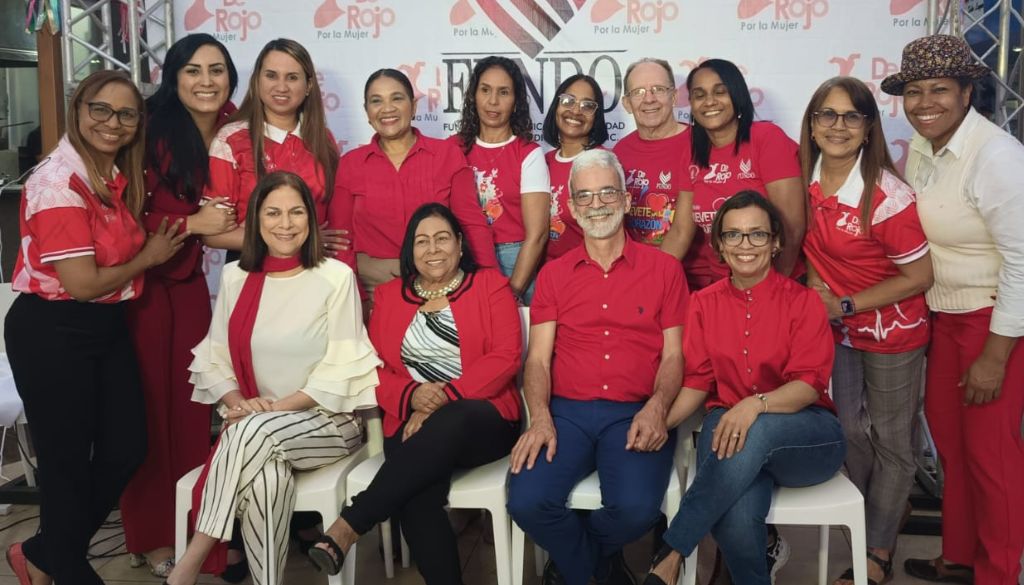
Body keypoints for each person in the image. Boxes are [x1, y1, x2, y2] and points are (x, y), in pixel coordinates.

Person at [3, 69, 189, 585]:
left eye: (126, 113)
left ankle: (42, 552)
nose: (113, 122)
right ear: (79, 109)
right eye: (100, 110)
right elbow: (81, 283)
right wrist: (149, 257)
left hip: (104, 324)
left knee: (128, 446)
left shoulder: (112, 175)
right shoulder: (57, 180)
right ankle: (62, 563)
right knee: (65, 464)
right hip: (53, 329)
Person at [163, 171, 379, 585]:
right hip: (257, 425)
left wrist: (270, 410)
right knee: (266, 478)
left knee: (254, 433)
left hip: (329, 421)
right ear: (256, 220)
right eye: (274, 213)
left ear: (311, 220)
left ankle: (192, 559)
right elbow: (215, 357)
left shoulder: (335, 277)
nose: (285, 223)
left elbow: (339, 369)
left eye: (296, 212)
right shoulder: (235, 278)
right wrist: (236, 402)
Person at [307, 203, 521, 585]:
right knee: (417, 496)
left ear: (459, 244)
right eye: (422, 241)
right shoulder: (389, 297)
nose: (433, 249)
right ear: (410, 251)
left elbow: (505, 357)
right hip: (409, 421)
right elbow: (372, 366)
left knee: (453, 419)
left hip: (482, 419)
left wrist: (442, 399)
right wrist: (411, 397)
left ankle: (350, 524)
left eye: (442, 238)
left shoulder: (491, 286)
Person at [643, 192, 846, 585]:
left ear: (775, 243)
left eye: (756, 235)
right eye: (733, 236)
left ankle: (671, 552)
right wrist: (657, 421)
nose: (745, 245)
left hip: (806, 435)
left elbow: (808, 386)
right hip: (730, 432)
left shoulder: (804, 302)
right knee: (735, 519)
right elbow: (699, 382)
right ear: (719, 244)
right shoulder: (702, 303)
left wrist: (755, 404)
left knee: (756, 429)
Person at [507, 149, 689, 585]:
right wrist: (541, 417)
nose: (597, 204)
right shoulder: (553, 275)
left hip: (635, 410)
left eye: (607, 192)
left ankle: (573, 563)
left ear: (627, 200)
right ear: (570, 209)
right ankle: (596, 571)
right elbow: (537, 359)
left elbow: (674, 356)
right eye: (584, 196)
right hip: (566, 412)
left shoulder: (665, 269)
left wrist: (658, 406)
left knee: (637, 510)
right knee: (527, 502)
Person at [881, 34, 1024, 585]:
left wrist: (995, 355)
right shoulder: (922, 147)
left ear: (967, 91)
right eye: (913, 91)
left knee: (994, 459)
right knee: (955, 448)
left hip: (994, 324)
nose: (924, 103)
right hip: (942, 316)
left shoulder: (997, 156)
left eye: (939, 89)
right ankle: (960, 556)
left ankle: (998, 574)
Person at [799, 76, 933, 585]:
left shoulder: (887, 196)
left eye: (851, 116)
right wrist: (818, 289)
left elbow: (919, 276)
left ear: (868, 126)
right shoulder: (803, 179)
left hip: (893, 331)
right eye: (826, 115)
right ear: (811, 125)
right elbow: (811, 250)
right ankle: (879, 512)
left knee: (895, 442)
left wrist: (844, 302)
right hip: (841, 330)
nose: (837, 126)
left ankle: (876, 552)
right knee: (851, 430)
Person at [117, 33, 240, 578]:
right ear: (173, 76)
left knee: (195, 413)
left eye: (217, 70)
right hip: (145, 287)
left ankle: (198, 538)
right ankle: (149, 538)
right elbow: (115, 220)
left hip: (191, 284)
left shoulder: (237, 125)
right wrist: (191, 224)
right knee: (149, 417)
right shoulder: (147, 130)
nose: (207, 81)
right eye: (193, 70)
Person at [328, 68, 497, 297]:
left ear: (414, 107)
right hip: (372, 289)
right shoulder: (350, 164)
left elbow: (471, 224)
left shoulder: (447, 155)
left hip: (441, 283)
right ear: (367, 112)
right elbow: (341, 240)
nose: (387, 108)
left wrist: (489, 283)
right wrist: (352, 295)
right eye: (376, 101)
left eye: (397, 98)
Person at [205, 38, 347, 259]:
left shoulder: (323, 139)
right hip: (254, 269)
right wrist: (300, 240)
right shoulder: (231, 139)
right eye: (271, 75)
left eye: (292, 77)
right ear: (257, 81)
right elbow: (212, 234)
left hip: (314, 268)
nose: (281, 87)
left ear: (308, 85)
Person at [682, 59, 804, 290]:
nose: (709, 101)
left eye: (720, 92)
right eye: (699, 95)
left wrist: (774, 287)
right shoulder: (691, 151)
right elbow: (680, 231)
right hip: (723, 288)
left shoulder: (767, 138)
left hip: (777, 283)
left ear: (737, 95)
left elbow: (792, 228)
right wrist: (648, 277)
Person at [453, 56, 550, 303]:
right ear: (473, 96)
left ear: (516, 101)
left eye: (503, 92)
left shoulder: (528, 152)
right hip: (462, 258)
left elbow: (537, 234)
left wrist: (513, 291)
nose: (493, 101)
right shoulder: (453, 148)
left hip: (515, 261)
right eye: (485, 90)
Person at [613, 57, 695, 258]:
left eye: (658, 89)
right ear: (627, 103)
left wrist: (652, 280)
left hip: (691, 279)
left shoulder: (699, 144)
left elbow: (683, 231)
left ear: (674, 97)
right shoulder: (620, 151)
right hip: (632, 273)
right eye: (638, 92)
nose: (649, 99)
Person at [541, 74, 609, 261]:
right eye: (568, 101)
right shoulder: (542, 162)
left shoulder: (603, 163)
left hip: (585, 273)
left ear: (596, 116)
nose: (576, 111)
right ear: (556, 106)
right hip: (543, 276)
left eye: (587, 106)